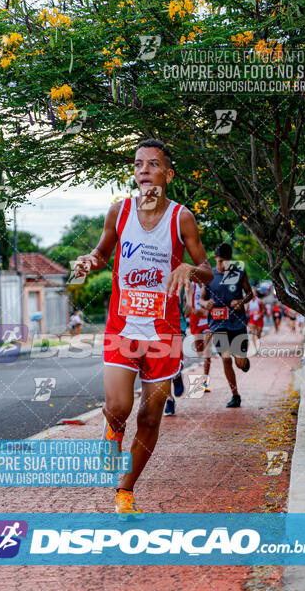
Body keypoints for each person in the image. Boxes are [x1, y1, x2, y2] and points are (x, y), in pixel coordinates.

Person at [74, 139, 213, 518]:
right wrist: (90, 261)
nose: (143, 170)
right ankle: (112, 433)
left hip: (164, 334)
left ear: (168, 174)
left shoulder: (181, 217)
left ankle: (125, 490)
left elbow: (208, 271)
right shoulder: (119, 212)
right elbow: (103, 253)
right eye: (138, 164)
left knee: (150, 417)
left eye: (153, 164)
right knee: (118, 405)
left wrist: (189, 269)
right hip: (123, 326)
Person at [199, 243, 253, 408]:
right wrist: (205, 303)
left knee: (239, 363)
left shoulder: (239, 273)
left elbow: (250, 294)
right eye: (221, 261)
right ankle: (235, 395)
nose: (224, 264)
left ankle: (243, 361)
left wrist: (241, 301)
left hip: (237, 323)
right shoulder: (208, 276)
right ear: (215, 258)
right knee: (226, 359)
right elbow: (201, 299)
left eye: (227, 261)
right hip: (218, 325)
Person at [163, 289, 187, 416]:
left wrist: (188, 303)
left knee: (173, 356)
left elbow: (188, 308)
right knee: (164, 363)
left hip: (178, 323)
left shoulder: (179, 276)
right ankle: (169, 399)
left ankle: (176, 374)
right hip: (157, 324)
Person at [187, 281, 212, 390]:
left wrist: (207, 311)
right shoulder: (191, 285)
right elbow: (188, 304)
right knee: (200, 352)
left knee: (207, 353)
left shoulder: (209, 284)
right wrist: (193, 310)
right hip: (196, 320)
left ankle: (205, 382)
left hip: (208, 321)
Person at [247, 288, 266, 355]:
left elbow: (265, 310)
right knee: (252, 333)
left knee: (258, 333)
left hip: (259, 318)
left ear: (256, 294)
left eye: (253, 292)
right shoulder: (248, 302)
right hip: (252, 319)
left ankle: (258, 345)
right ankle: (256, 350)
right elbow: (246, 311)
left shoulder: (259, 301)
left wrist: (260, 314)